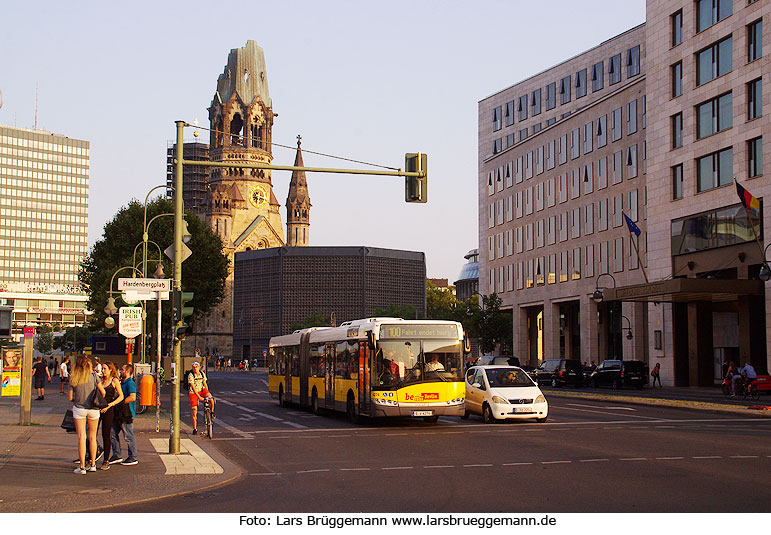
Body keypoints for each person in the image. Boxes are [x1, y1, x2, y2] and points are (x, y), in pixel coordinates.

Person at [69, 355, 106, 474]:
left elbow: (70, 397)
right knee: (93, 437)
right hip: (94, 409)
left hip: (79, 409)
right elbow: (103, 392)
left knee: (81, 437)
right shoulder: (94, 376)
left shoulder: (74, 378)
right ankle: (93, 464)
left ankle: (82, 466)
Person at [109, 364, 138, 466]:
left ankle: (133, 456)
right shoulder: (123, 382)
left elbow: (133, 397)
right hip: (120, 413)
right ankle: (117, 454)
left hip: (127, 413)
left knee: (128, 435)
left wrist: (120, 402)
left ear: (128, 371)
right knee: (112, 432)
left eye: (122, 369)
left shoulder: (130, 383)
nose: (120, 371)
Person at [97, 362, 124, 470]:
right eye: (102, 369)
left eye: (104, 369)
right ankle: (92, 456)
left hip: (108, 409)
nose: (103, 371)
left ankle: (106, 460)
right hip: (98, 408)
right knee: (92, 433)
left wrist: (111, 404)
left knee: (106, 433)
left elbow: (121, 396)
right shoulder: (99, 380)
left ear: (110, 370)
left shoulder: (114, 381)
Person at [188, 362, 215, 435]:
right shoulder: (191, 375)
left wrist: (207, 393)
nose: (195, 368)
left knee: (211, 399)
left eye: (196, 367)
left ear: (199, 367)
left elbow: (205, 384)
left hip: (202, 390)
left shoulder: (202, 374)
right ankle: (195, 428)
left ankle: (212, 412)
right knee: (194, 410)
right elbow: (193, 387)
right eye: (193, 367)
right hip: (194, 392)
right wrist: (199, 397)